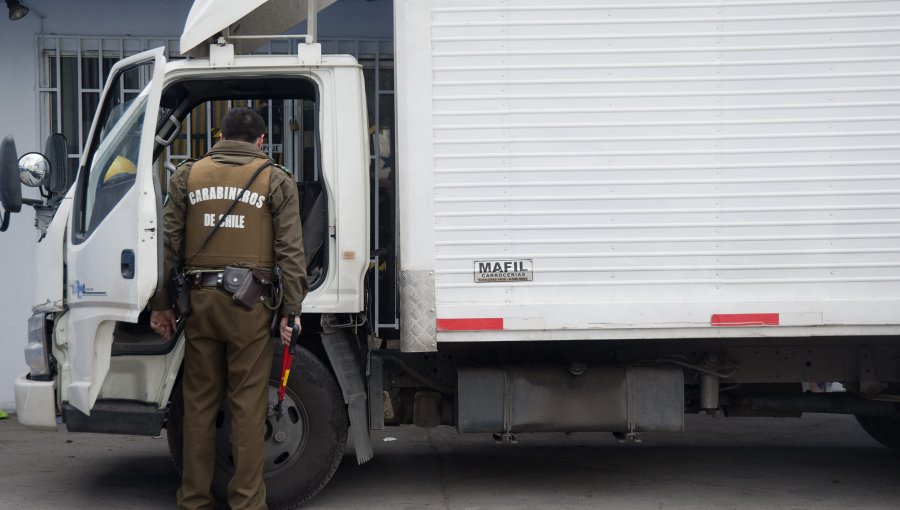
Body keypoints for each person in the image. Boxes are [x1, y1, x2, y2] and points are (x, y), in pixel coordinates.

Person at [150, 107, 307, 510]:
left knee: (199, 404)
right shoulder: (276, 179)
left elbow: (166, 244)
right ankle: (246, 503)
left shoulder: (187, 175)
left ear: (220, 135)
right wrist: (292, 308)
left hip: (199, 301)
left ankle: (194, 500)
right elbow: (290, 251)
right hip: (250, 307)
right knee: (248, 405)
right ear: (259, 142)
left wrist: (162, 305)